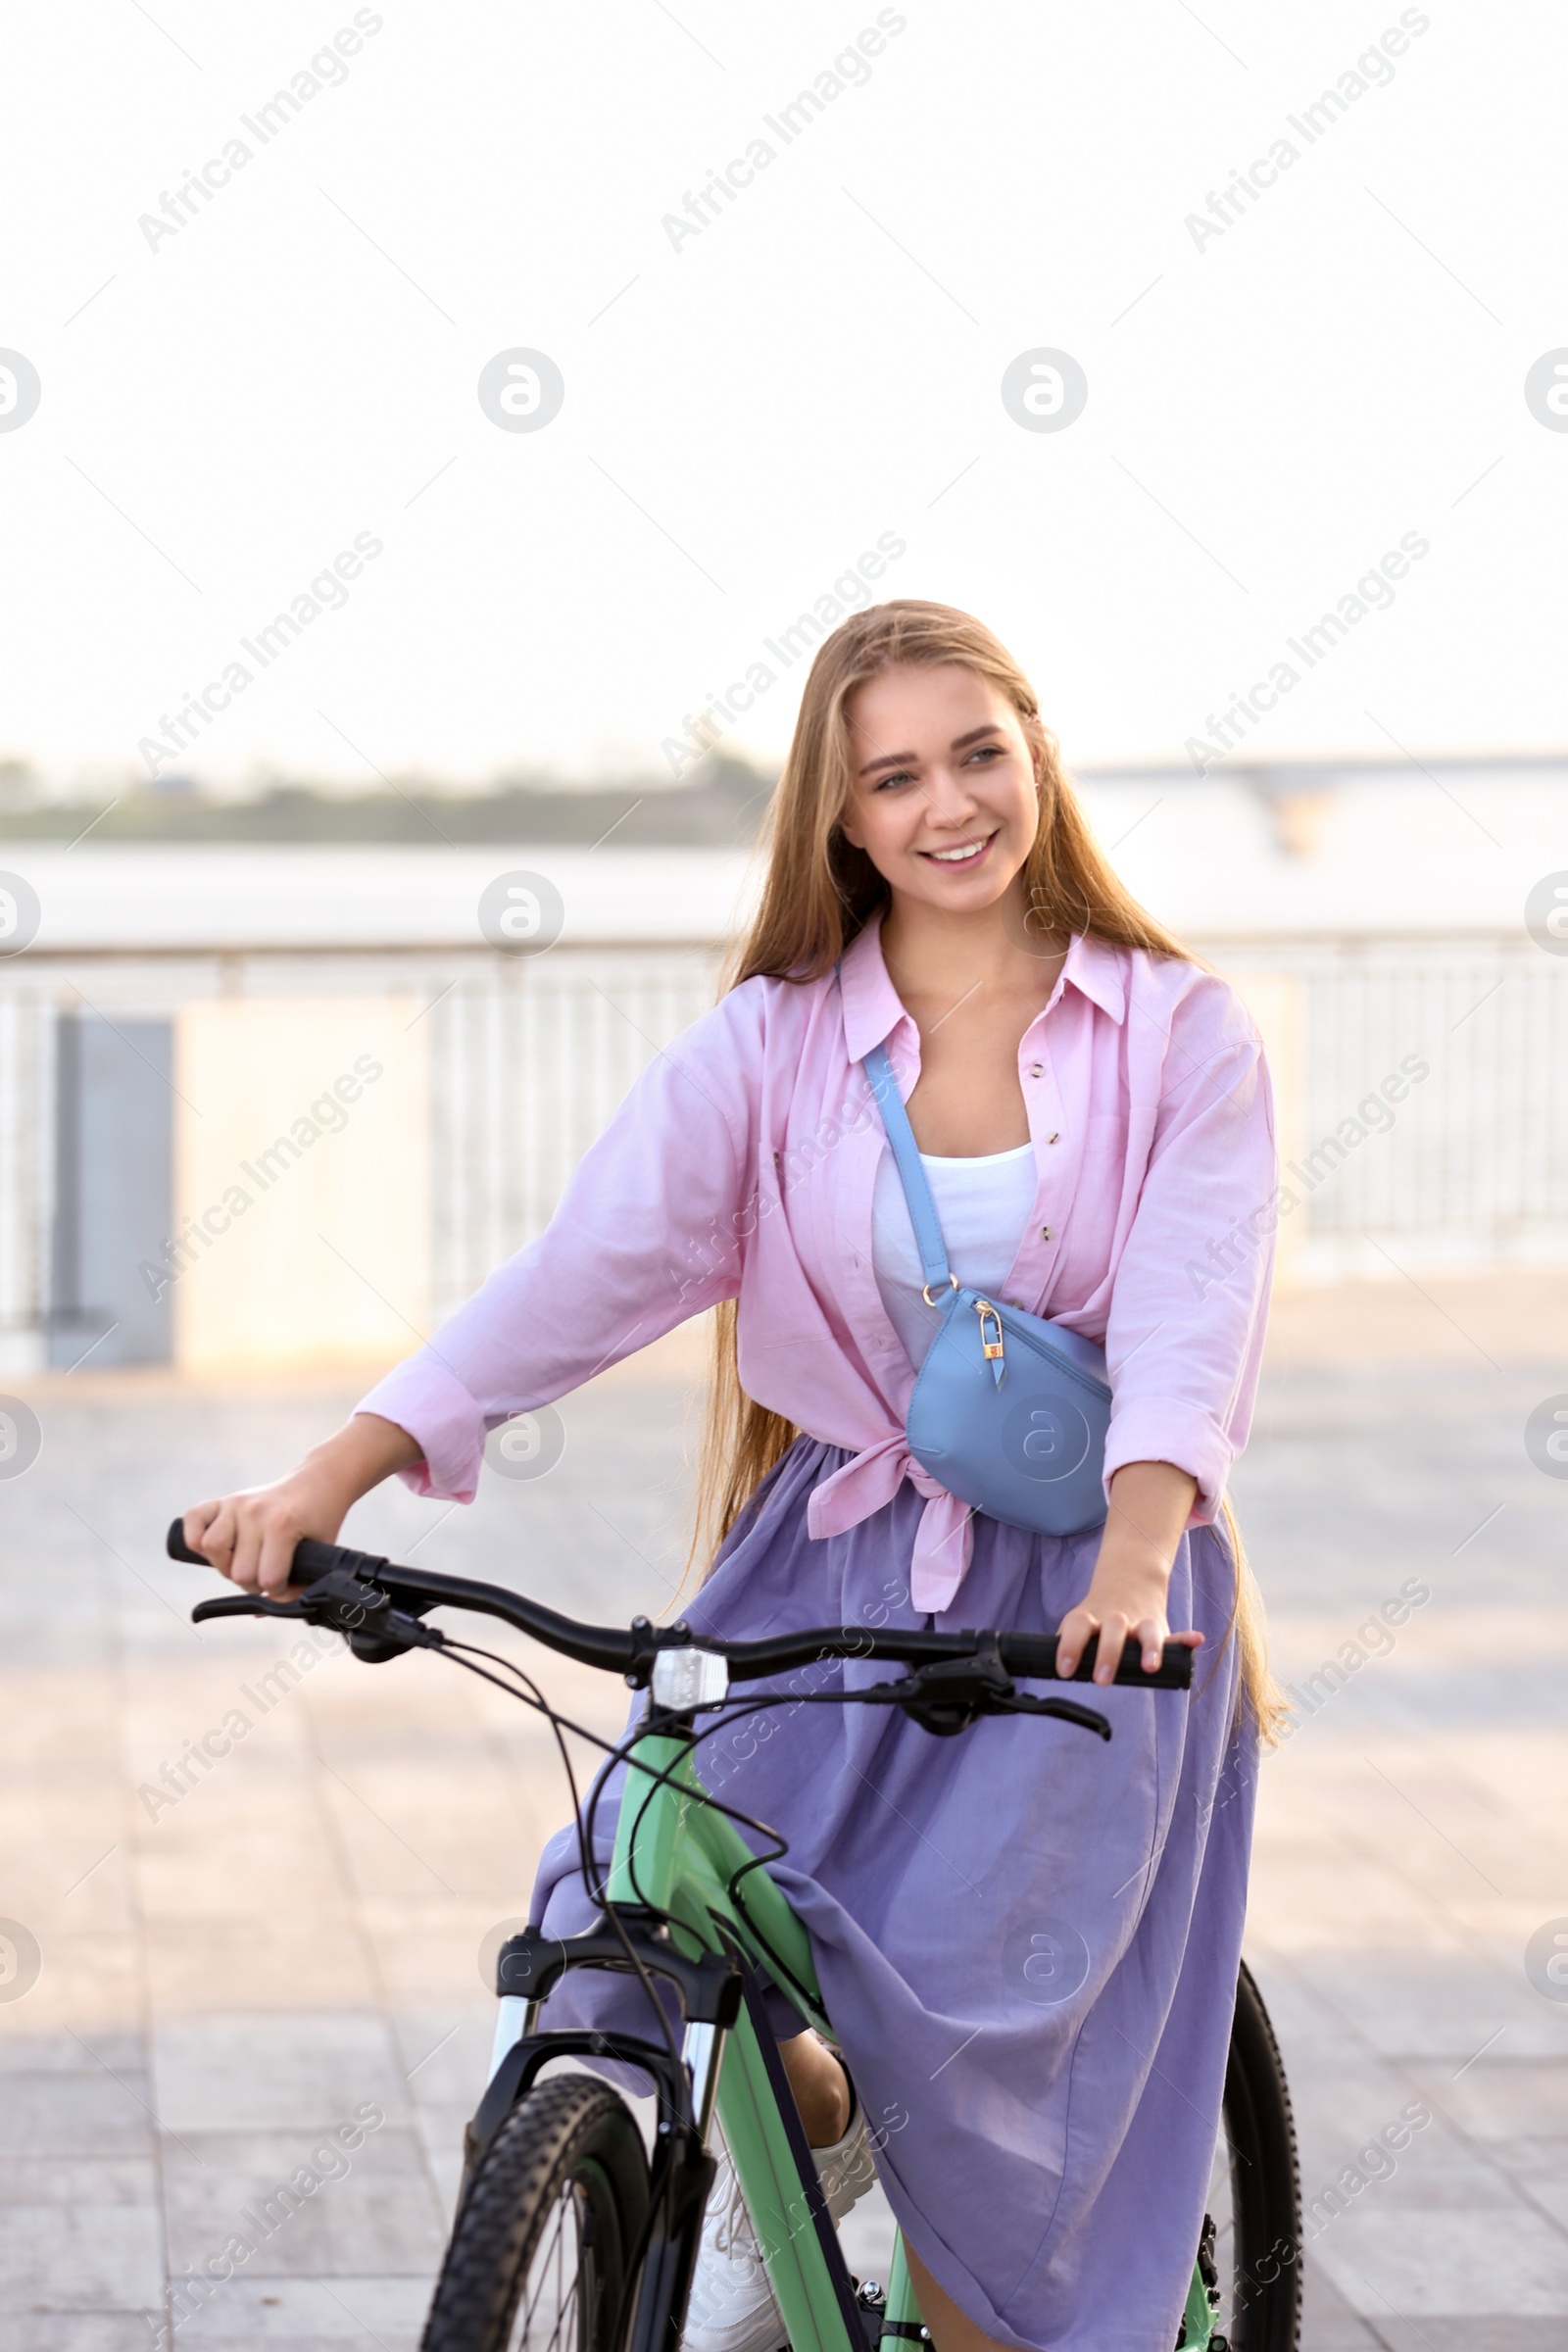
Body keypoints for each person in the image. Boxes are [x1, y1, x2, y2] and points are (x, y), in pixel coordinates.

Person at [184, 600, 1283, 2352]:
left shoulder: (1179, 1033)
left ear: (1038, 758)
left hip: (1093, 1601)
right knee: (629, 1888)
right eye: (895, 775)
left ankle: (939, 2250)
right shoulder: (774, 1044)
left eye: (979, 753)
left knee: (988, 2055)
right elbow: (583, 1273)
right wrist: (338, 1472)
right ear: (839, 817)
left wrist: (1138, 1565)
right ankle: (794, 2163)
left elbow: (1191, 1315)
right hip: (827, 1571)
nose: (950, 805)